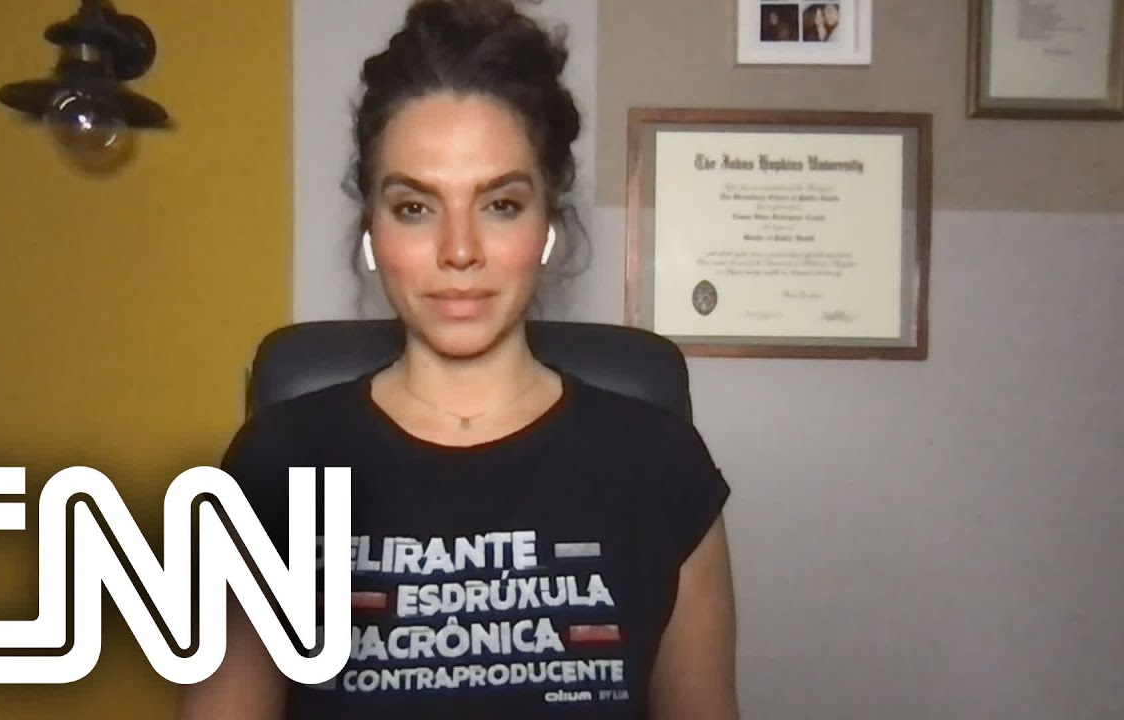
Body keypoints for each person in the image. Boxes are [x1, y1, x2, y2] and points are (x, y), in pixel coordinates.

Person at [177, 1, 738, 718]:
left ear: (547, 223)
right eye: (415, 208)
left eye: (500, 204)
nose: (460, 249)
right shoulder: (273, 464)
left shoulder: (661, 464)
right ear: (373, 229)